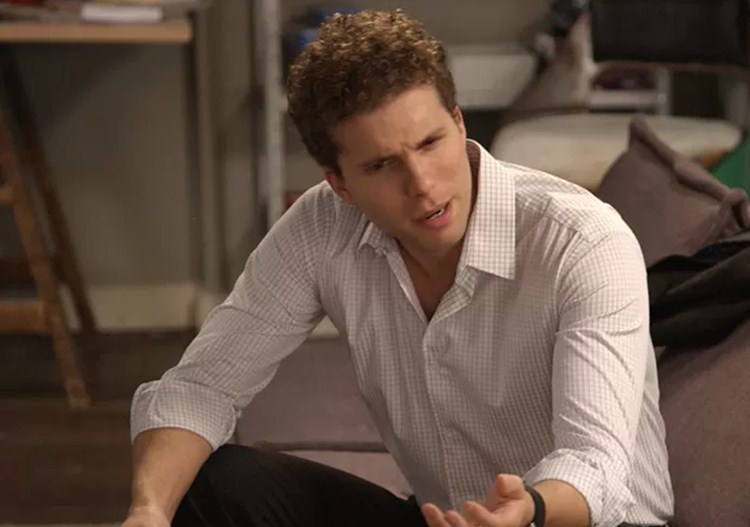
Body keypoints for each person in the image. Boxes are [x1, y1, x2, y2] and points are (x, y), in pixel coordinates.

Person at [122, 9, 673, 527]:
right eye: (382, 165)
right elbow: (202, 387)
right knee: (213, 483)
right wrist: (148, 512)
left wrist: (526, 508)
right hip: (440, 517)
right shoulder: (322, 226)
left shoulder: (583, 242)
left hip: (568, 519)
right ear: (341, 184)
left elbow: (596, 462)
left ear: (458, 123)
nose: (423, 185)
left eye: (431, 143)